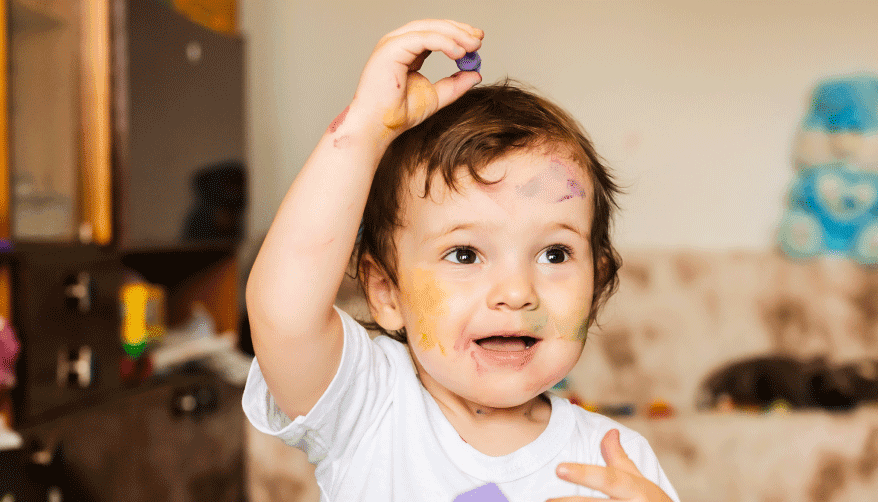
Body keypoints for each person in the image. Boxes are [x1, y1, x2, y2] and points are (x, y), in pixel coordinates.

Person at [242, 19, 680, 502]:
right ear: (387, 294)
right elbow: (284, 315)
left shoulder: (618, 464)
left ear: (596, 285)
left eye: (554, 253)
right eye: (465, 254)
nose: (516, 292)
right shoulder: (369, 405)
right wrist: (366, 128)